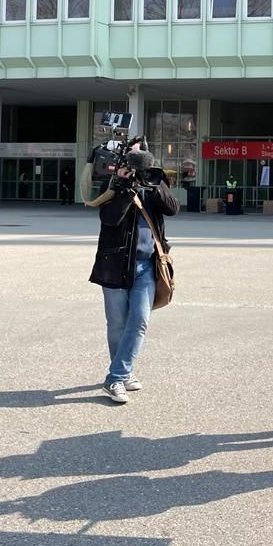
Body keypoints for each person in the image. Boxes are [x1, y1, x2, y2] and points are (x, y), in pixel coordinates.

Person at [89, 149, 179, 403]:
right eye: (136, 170)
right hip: (114, 264)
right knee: (117, 323)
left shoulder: (154, 183)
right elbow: (109, 219)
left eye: (144, 170)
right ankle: (122, 374)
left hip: (147, 266)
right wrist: (124, 191)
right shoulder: (114, 185)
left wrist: (154, 185)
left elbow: (173, 208)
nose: (140, 175)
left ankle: (116, 376)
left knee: (139, 320)